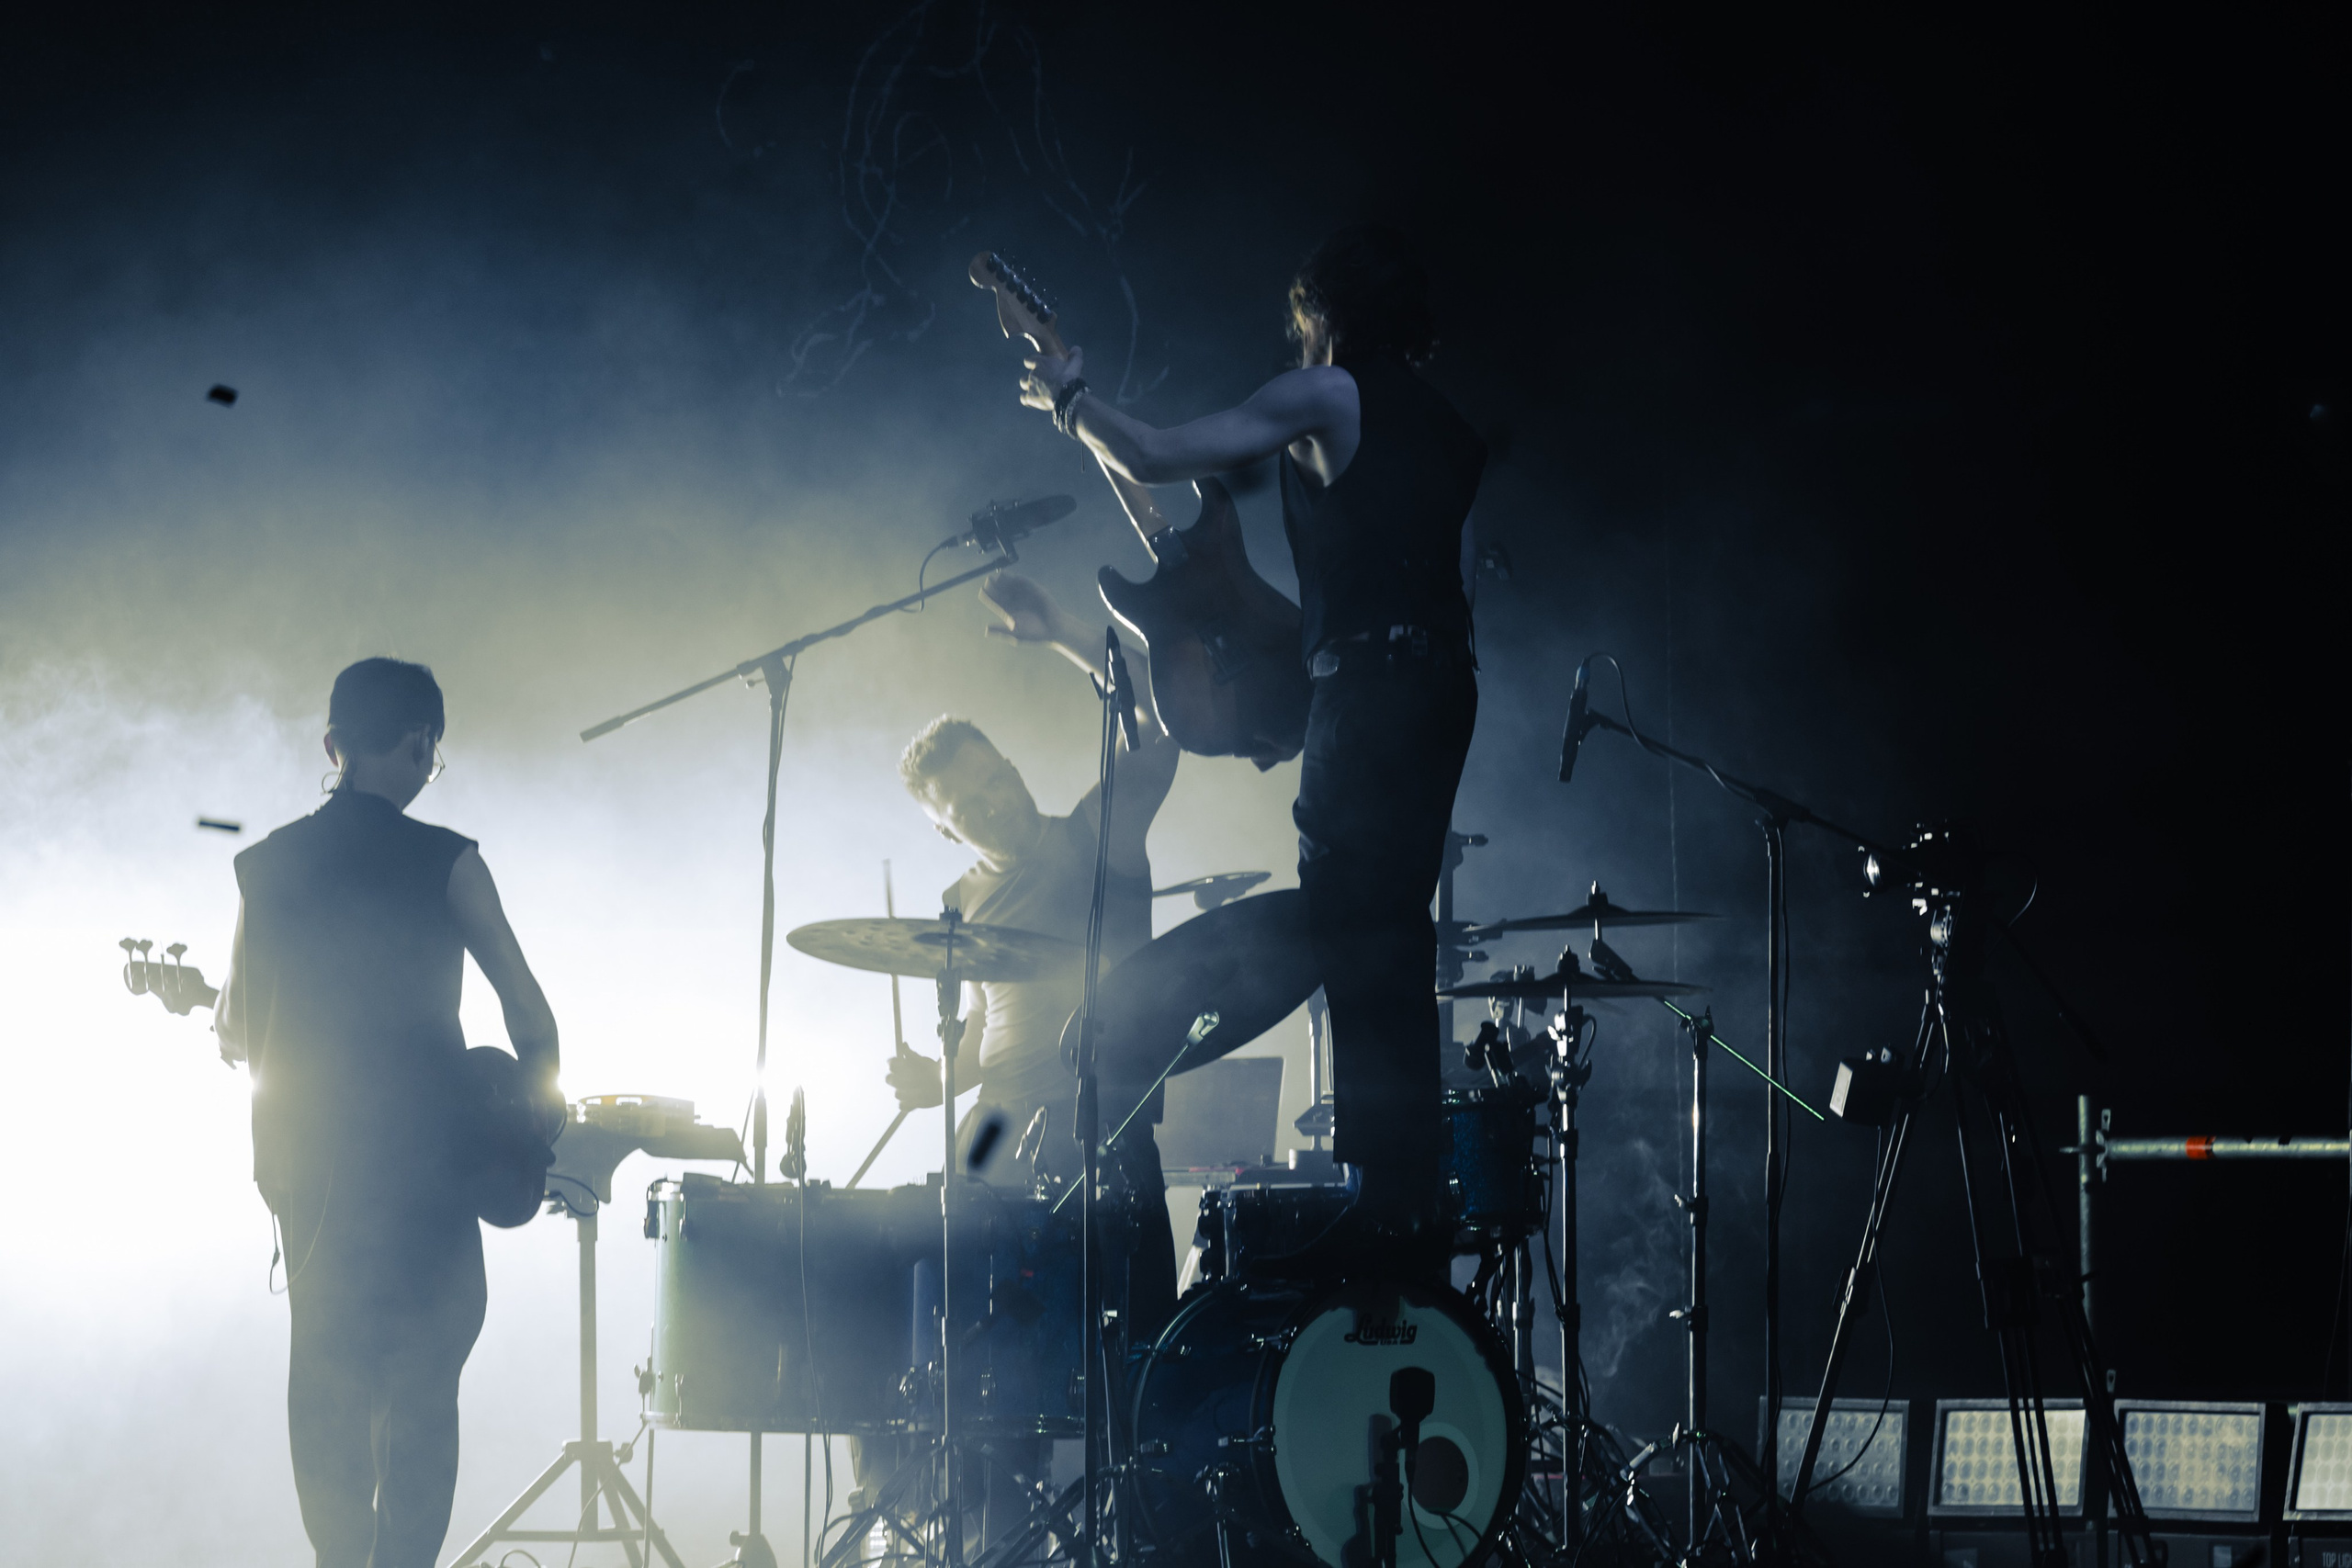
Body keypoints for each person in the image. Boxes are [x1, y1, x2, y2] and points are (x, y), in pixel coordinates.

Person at [1015, 223, 1485, 1267]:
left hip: (1367, 688)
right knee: (1383, 927)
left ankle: (1388, 1202)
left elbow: (1159, 453)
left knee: (1353, 926)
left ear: (1323, 316)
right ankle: (1402, 1189)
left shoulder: (1329, 393)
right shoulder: (1447, 424)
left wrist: (1072, 401)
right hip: (1444, 686)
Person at [216, 658, 561, 1568]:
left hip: (312, 1175)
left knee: (324, 1399)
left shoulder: (263, 867)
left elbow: (239, 1036)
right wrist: (533, 1129)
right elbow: (528, 1011)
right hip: (427, 1177)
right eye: (430, 757)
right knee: (420, 1395)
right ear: (417, 744)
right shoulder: (448, 861)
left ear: (332, 746)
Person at [885, 569, 1183, 1336]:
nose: (994, 802)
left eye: (995, 778)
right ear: (946, 829)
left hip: (1101, 1124)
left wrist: (1065, 636)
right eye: (968, 806)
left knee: (1132, 1352)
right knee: (944, 1302)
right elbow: (988, 1027)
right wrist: (940, 1080)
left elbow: (1160, 716)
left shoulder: (1096, 833)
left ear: (1014, 768)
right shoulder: (958, 902)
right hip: (996, 1123)